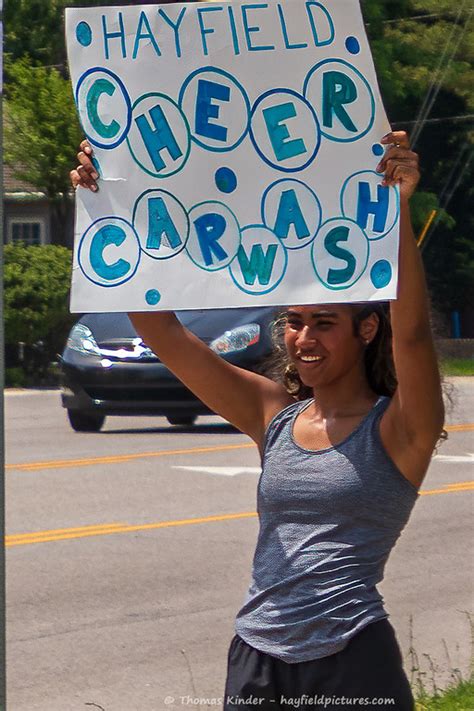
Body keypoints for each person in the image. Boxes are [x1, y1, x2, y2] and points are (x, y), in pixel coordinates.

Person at [71, 131, 444, 710]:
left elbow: (415, 335)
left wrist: (396, 207)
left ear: (366, 329)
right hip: (256, 656)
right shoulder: (272, 414)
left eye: (324, 322)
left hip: (350, 660)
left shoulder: (400, 428)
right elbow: (164, 332)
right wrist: (107, 206)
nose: (304, 338)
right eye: (295, 321)